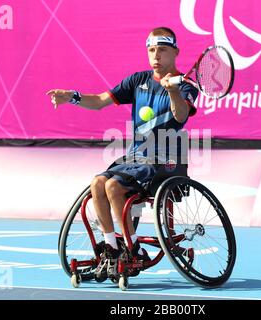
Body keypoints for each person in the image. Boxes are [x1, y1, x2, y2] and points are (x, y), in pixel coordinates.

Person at [46, 27, 198, 281]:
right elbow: (98, 101)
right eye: (151, 50)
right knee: (98, 182)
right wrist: (71, 97)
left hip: (165, 161)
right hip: (135, 158)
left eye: (162, 50)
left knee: (114, 187)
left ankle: (133, 248)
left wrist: (172, 88)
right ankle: (112, 248)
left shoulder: (186, 85)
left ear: (175, 52)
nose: (156, 56)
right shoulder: (138, 81)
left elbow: (180, 116)